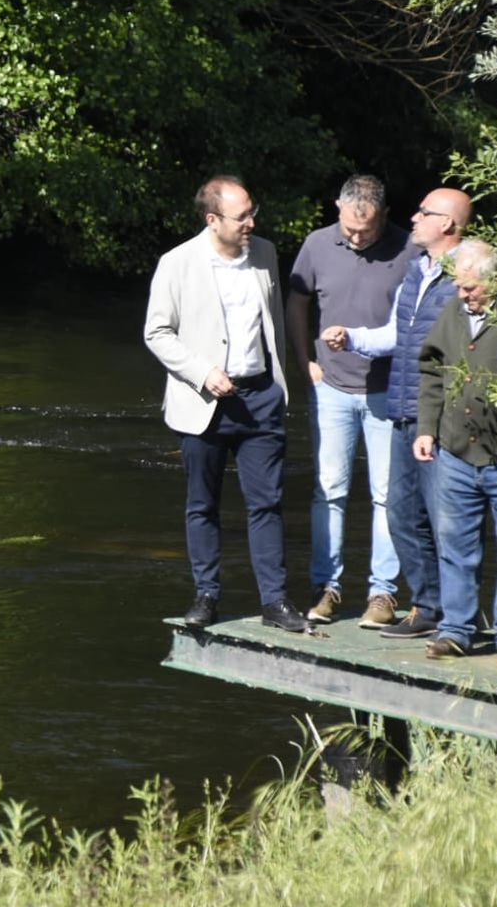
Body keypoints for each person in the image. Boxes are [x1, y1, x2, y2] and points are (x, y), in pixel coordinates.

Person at [144, 175, 304, 632]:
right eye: (242, 216)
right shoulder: (177, 263)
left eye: (253, 212)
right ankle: (207, 596)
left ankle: (275, 602)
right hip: (203, 399)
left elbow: (272, 323)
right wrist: (202, 372)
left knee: (267, 503)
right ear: (212, 220)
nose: (251, 222)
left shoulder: (266, 254)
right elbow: (156, 333)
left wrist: (277, 384)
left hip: (260, 398)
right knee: (202, 505)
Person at [320, 187, 471, 639]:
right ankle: (428, 608)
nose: (414, 217)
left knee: (448, 521)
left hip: (445, 420)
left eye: (424, 212)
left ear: (447, 224)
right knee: (403, 515)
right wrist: (353, 338)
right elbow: (396, 336)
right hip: (405, 409)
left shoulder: (468, 274)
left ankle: (457, 618)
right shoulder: (416, 270)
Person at [286, 175, 412, 628]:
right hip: (331, 387)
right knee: (329, 490)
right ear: (337, 208)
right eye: (350, 230)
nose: (357, 238)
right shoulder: (318, 244)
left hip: (386, 390)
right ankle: (328, 588)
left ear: (385, 215)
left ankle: (382, 594)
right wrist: (305, 362)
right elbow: (297, 302)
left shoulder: (409, 248)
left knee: (386, 496)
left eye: (367, 230)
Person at [414, 241, 497, 666]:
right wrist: (426, 428)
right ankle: (456, 631)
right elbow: (433, 369)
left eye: (471, 288)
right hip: (455, 453)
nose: (463, 295)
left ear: (494, 280)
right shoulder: (455, 312)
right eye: (459, 286)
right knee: (455, 547)